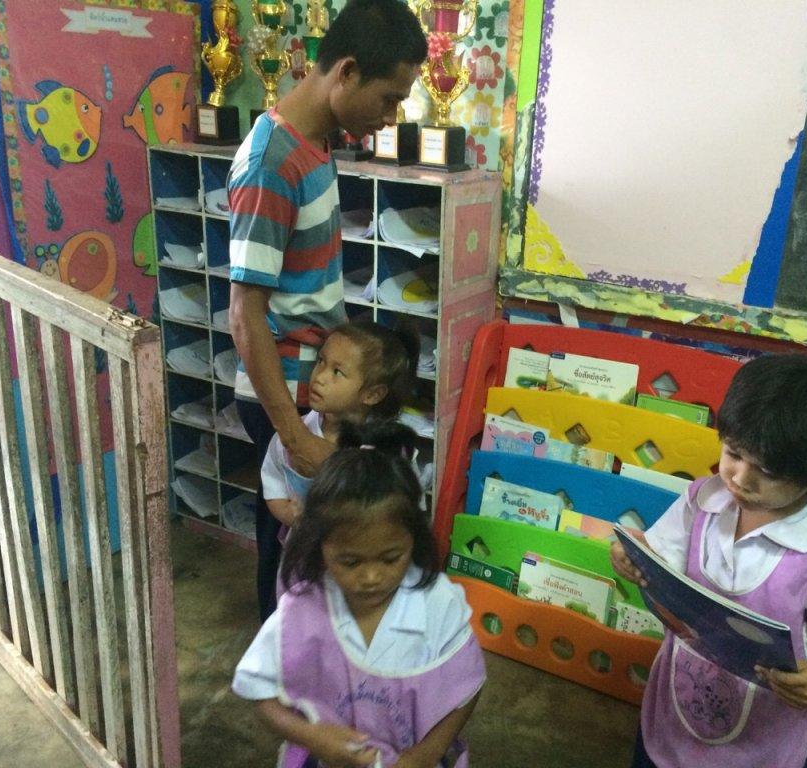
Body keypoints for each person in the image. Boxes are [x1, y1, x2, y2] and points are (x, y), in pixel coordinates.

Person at [227, 0, 427, 619]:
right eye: (389, 99)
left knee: (325, 546)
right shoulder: (271, 165)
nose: (389, 116)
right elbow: (245, 314)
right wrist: (293, 435)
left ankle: (322, 650)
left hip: (317, 391)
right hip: (288, 397)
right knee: (294, 552)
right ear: (346, 72)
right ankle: (285, 657)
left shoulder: (313, 143)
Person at [611, 353, 807, 768]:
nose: (740, 478)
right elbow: (662, 563)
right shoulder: (701, 501)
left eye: (767, 471)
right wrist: (634, 559)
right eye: (733, 453)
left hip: (770, 733)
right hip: (677, 707)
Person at [232, 422, 486, 768]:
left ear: (413, 539)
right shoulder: (302, 609)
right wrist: (313, 737)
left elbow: (467, 685)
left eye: (390, 558)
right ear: (319, 545)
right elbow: (258, 690)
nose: (371, 578)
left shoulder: (438, 603)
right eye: (350, 562)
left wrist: (425, 754)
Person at [261, 320, 419, 534]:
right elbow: (273, 481)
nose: (319, 377)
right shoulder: (294, 433)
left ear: (372, 394)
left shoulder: (391, 448)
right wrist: (290, 515)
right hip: (304, 548)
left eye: (337, 372)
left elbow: (406, 510)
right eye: (321, 361)